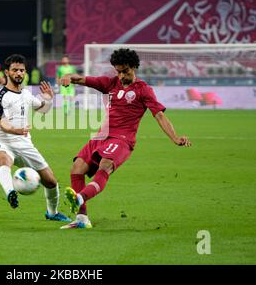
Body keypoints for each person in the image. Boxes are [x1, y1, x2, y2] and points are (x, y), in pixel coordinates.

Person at [60, 48, 192, 229]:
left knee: (105, 164)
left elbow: (159, 115)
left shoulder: (144, 90)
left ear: (134, 67)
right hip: (101, 136)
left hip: (122, 140)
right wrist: (67, 78)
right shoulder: (110, 83)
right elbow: (80, 78)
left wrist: (175, 138)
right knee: (77, 168)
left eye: (125, 71)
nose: (121, 76)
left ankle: (80, 197)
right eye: (118, 71)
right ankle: (82, 219)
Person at [0, 54, 70, 222]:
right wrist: (16, 130)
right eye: (15, 70)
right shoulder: (0, 97)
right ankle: (10, 192)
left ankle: (52, 213)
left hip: (25, 145)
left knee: (51, 181)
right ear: (7, 72)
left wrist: (48, 99)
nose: (18, 73)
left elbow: (42, 109)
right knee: (4, 161)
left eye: (21, 70)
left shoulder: (26, 94)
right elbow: (3, 124)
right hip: (3, 142)